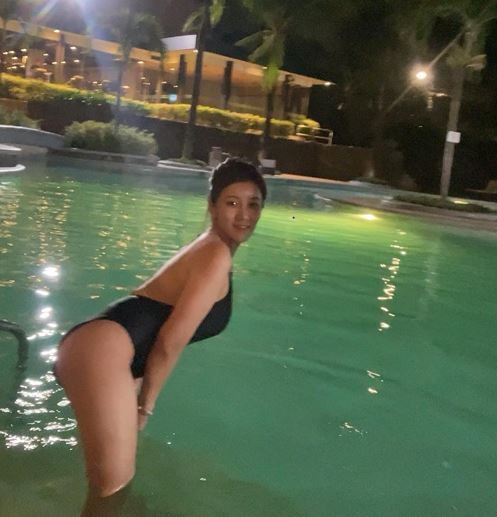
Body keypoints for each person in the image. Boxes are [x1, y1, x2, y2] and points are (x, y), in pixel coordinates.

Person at [55, 158, 266, 514]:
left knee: (113, 487)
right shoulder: (215, 254)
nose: (244, 214)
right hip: (104, 351)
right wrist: (145, 407)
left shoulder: (209, 247)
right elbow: (169, 342)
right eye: (232, 202)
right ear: (212, 206)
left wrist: (134, 383)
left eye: (253, 204)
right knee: (112, 491)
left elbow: (151, 321)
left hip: (108, 352)